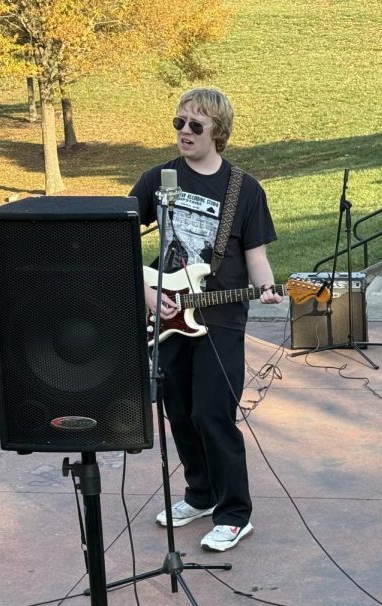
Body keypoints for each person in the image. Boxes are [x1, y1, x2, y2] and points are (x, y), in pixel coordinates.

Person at [130, 87, 281, 552]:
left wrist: (270, 288)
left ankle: (235, 513)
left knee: (213, 414)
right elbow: (114, 238)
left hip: (221, 319)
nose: (185, 133)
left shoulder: (243, 189)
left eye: (196, 125)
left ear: (218, 130)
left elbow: (254, 255)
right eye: (179, 123)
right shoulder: (160, 179)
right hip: (169, 314)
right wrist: (150, 293)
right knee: (178, 412)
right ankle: (200, 494)